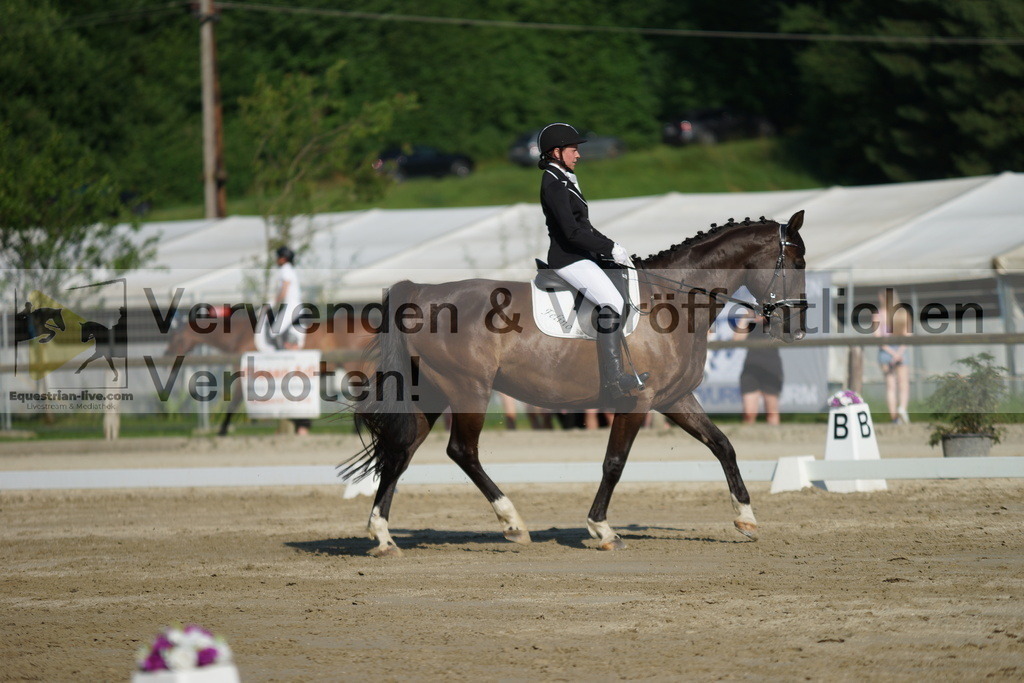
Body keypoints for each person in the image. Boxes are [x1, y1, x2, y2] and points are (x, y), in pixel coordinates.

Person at [537, 122, 649, 400]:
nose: (579, 155)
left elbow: (584, 226)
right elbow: (572, 232)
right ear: (556, 152)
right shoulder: (553, 183)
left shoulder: (564, 179)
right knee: (612, 302)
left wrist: (611, 248)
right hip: (568, 259)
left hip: (582, 255)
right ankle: (613, 380)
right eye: (573, 150)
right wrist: (608, 248)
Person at [734, 311, 783, 425]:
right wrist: (745, 316)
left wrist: (769, 319)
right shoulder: (751, 325)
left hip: (771, 369)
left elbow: (783, 338)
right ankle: (747, 441)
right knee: (749, 413)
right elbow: (736, 338)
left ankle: (775, 440)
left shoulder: (774, 326)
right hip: (751, 369)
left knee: (772, 412)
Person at [874, 288, 912, 424]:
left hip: (886, 352)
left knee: (890, 386)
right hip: (900, 350)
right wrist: (899, 353)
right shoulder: (903, 313)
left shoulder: (878, 315)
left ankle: (895, 418)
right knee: (903, 384)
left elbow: (877, 338)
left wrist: (892, 353)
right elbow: (908, 335)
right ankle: (902, 408)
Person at [271, 245, 304, 351]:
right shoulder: (290, 269)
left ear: (283, 258)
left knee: (273, 331)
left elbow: (284, 290)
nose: (277, 260)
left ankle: (281, 354)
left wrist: (274, 302)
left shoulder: (285, 269)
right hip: (295, 305)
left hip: (292, 306)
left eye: (278, 257)